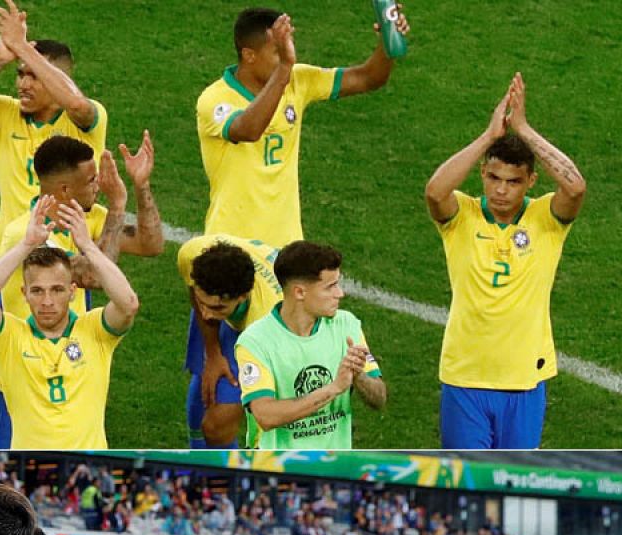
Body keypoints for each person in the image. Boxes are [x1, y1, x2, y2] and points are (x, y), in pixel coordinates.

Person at [425, 74, 585, 449]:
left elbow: (575, 186)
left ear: (531, 182)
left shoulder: (546, 219)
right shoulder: (461, 216)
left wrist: (524, 130)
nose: (500, 189)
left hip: (524, 380)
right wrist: (488, 138)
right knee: (471, 480)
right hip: (465, 377)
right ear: (482, 173)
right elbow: (435, 191)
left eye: (513, 181)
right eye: (493, 177)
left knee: (514, 476)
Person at [0, 134, 160, 448]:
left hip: (71, 364)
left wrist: (141, 185)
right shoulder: (27, 234)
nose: (99, 186)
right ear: (64, 190)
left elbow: (151, 243)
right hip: (24, 373)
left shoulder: (80, 219)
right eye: (91, 180)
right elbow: (91, 275)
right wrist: (117, 209)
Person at [196, 5, 408, 247]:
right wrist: (285, 68)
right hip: (231, 248)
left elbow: (368, 78)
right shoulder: (214, 100)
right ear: (249, 55)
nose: (288, 55)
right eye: (278, 51)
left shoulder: (297, 80)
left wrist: (387, 41)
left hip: (287, 248)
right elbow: (248, 130)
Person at [0, 196, 140, 449]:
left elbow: (128, 304)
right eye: (37, 291)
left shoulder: (94, 331)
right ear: (25, 294)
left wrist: (88, 247)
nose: (47, 301)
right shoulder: (11, 338)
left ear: (72, 291)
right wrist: (25, 245)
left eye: (57, 290)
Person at [0, 0, 108, 259]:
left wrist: (22, 46)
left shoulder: (86, 121)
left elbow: (77, 103)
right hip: (8, 258)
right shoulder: (6, 114)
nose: (23, 84)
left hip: (63, 268)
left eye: (34, 76)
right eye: (20, 74)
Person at [235, 241, 386, 449]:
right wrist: (334, 388)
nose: (340, 293)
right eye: (330, 286)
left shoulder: (346, 325)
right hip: (278, 467)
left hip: (335, 465)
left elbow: (379, 398)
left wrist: (359, 375)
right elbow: (266, 415)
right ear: (299, 292)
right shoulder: (255, 342)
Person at [178, 235, 283, 448]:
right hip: (240, 313)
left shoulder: (270, 323)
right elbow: (197, 293)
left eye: (216, 308)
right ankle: (200, 460)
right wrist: (214, 354)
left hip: (264, 342)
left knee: (217, 428)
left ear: (243, 296)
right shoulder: (192, 255)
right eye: (202, 302)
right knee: (206, 386)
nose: (205, 315)